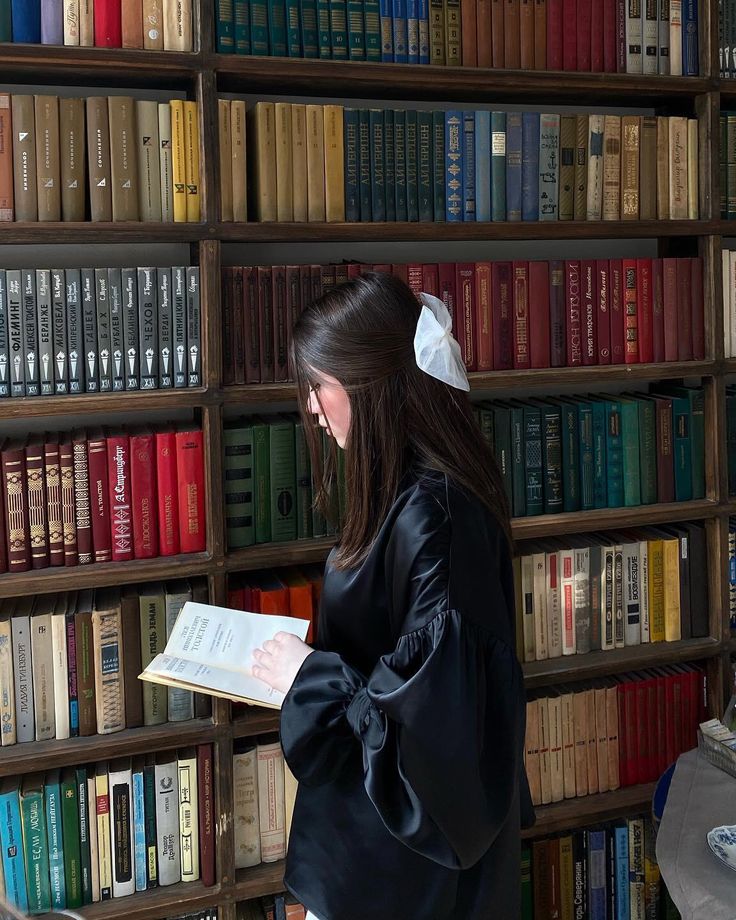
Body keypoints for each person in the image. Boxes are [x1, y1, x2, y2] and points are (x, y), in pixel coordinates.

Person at [251, 272, 534, 920]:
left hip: (408, 880)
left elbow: (437, 744)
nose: (313, 411)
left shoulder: (435, 518)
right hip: (367, 852)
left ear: (369, 383)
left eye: (320, 386)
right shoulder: (407, 497)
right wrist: (313, 672)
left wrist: (309, 676)